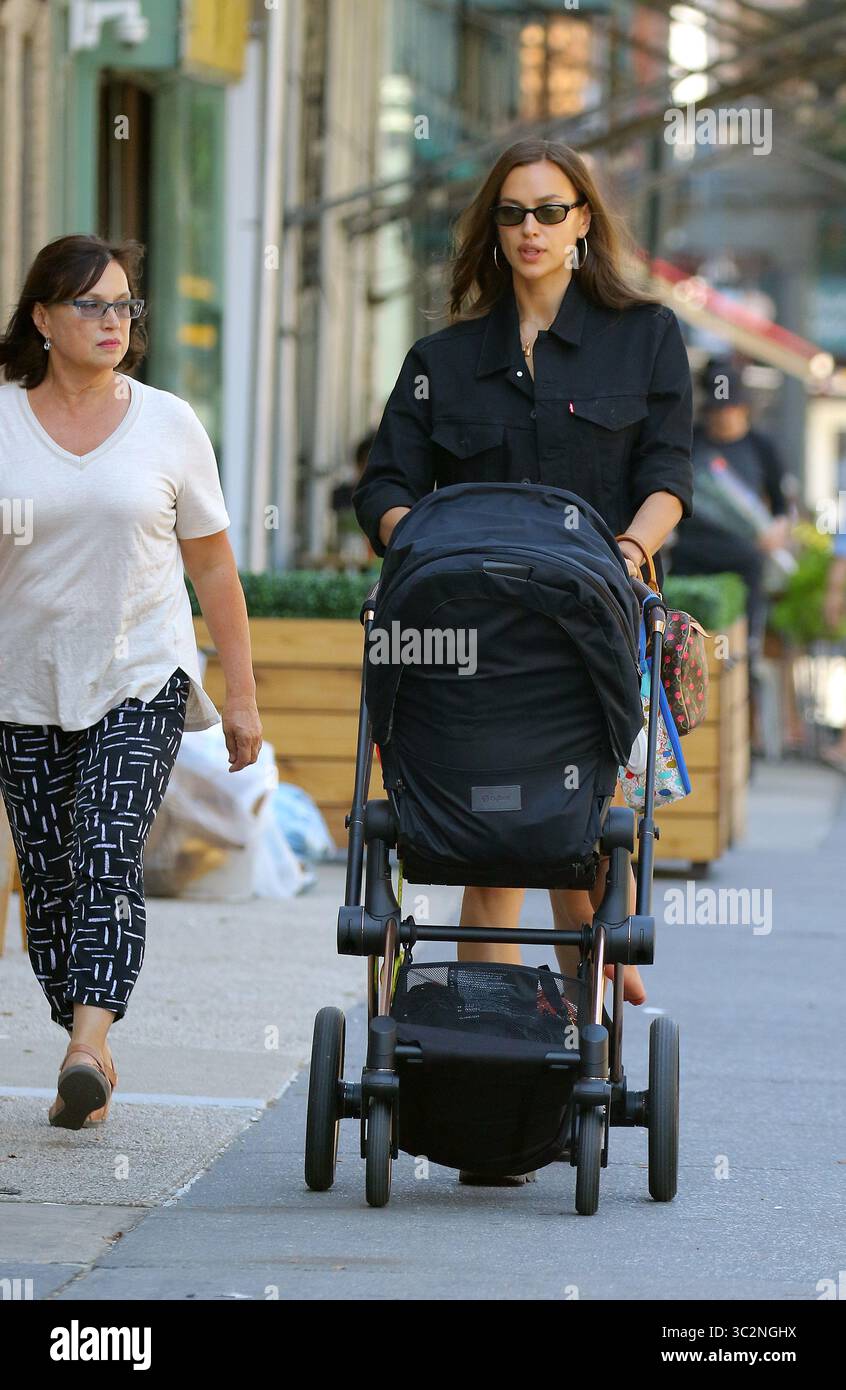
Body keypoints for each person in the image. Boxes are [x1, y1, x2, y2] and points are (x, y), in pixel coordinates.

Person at [353, 139, 694, 1026]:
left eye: (550, 210)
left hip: (595, 636)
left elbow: (669, 478)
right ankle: (495, 1049)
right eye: (512, 213)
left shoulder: (646, 337)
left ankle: (578, 1044)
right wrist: (422, 544)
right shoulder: (443, 358)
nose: (530, 229)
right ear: (492, 229)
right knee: (491, 846)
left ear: (584, 218)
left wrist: (624, 554)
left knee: (578, 850)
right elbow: (385, 484)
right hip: (471, 645)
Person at [0, 234, 263, 1130]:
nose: (114, 321)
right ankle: (92, 1042)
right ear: (42, 318)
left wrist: (241, 695)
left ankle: (84, 1043)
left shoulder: (167, 422)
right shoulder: (2, 422)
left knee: (107, 854)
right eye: (91, 306)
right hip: (23, 686)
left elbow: (215, 571)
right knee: (50, 882)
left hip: (140, 674)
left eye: (124, 306)